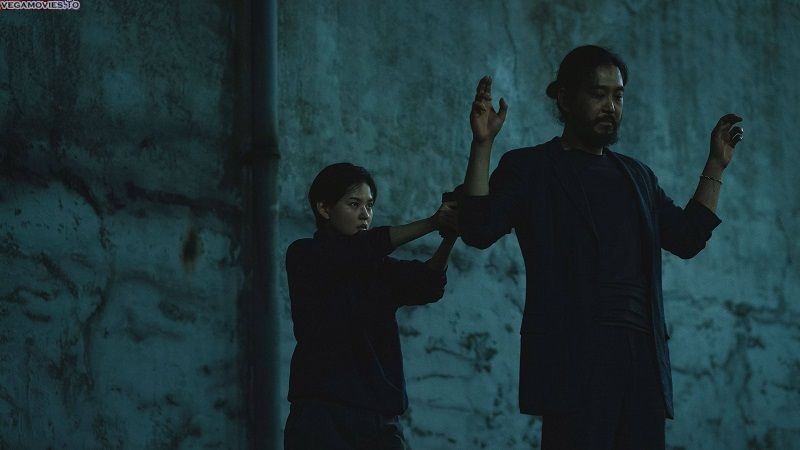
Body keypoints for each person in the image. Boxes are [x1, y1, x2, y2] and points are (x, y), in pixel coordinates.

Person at [459, 45, 743, 449]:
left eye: (618, 95)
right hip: (573, 361)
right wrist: (483, 145)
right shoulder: (531, 167)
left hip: (643, 363)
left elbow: (688, 237)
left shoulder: (638, 176)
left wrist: (715, 164)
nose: (611, 106)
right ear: (565, 98)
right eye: (598, 94)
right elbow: (478, 229)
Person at [283, 162, 458, 449]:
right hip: (323, 416)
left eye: (370, 205)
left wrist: (449, 237)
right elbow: (361, 249)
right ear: (324, 209)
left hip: (380, 420)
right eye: (354, 204)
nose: (365, 214)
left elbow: (428, 283)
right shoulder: (305, 254)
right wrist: (431, 222)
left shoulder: (379, 268)